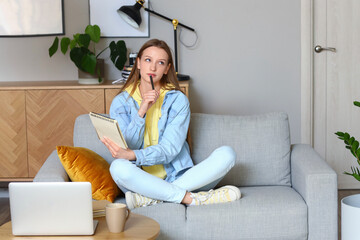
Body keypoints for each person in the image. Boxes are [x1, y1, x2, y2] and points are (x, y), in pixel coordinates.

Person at [101, 39, 241, 209]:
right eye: (147, 60)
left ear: (167, 68)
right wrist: (141, 111)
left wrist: (133, 155)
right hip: (141, 181)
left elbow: (170, 150)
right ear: (138, 63)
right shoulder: (121, 102)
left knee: (227, 154)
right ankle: (189, 198)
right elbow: (127, 146)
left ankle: (153, 198)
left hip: (181, 177)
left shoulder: (178, 100)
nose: (153, 68)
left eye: (160, 63)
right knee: (118, 167)